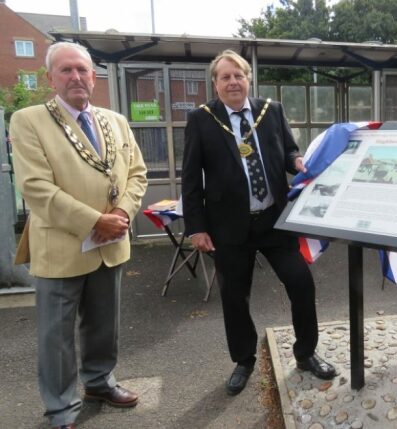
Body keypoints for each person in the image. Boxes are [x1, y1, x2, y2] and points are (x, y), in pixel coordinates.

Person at [181, 49, 336, 397]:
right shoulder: (201, 119)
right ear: (215, 83)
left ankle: (306, 353)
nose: (233, 82)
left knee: (301, 284)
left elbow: (289, 150)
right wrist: (196, 227)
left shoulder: (271, 110)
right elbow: (190, 179)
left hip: (273, 221)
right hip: (228, 228)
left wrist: (296, 162)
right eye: (225, 77)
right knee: (235, 297)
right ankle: (244, 360)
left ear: (248, 79)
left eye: (239, 75)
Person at [10, 42, 148, 429]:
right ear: (50, 78)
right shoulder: (28, 120)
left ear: (93, 76)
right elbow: (36, 187)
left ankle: (100, 382)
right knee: (57, 335)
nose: (76, 77)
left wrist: (121, 213)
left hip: (111, 243)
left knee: (104, 323)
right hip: (62, 246)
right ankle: (60, 408)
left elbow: (137, 173)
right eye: (67, 70)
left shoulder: (116, 120)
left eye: (83, 70)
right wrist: (94, 220)